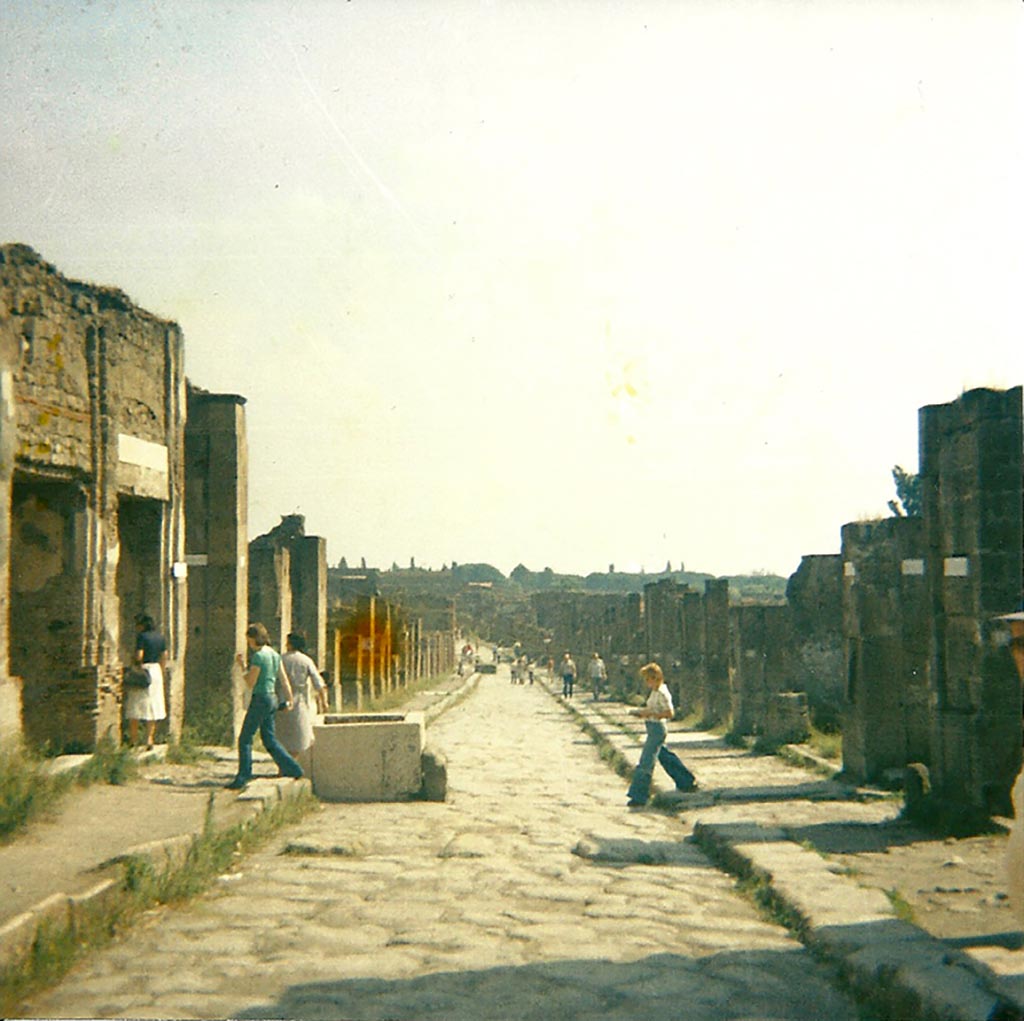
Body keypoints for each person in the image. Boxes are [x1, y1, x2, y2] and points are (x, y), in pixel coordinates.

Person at [226, 622, 304, 790]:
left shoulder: (259, 657)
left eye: (249, 640)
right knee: (269, 738)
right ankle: (293, 767)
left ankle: (243, 776)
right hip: (272, 698)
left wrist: (242, 666)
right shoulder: (274, 654)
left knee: (245, 739)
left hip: (260, 698)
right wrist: (289, 700)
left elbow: (250, 682)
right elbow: (283, 679)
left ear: (253, 639)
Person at [626, 662, 697, 807]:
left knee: (646, 762)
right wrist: (641, 713)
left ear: (655, 677)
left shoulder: (663, 692)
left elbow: (670, 713)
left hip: (657, 730)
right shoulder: (655, 692)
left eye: (648, 679)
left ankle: (639, 796)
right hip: (653, 727)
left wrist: (651, 713)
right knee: (665, 756)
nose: (646, 683)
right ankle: (686, 781)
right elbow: (652, 708)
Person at [277, 630, 328, 775]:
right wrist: (324, 703)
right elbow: (319, 684)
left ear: (290, 644)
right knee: (298, 737)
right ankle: (291, 766)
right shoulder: (306, 660)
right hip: (300, 703)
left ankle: (283, 768)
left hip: (281, 700)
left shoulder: (280, 659)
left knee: (281, 736)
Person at [124, 613, 168, 750]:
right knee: (153, 705)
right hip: (156, 671)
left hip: (143, 670)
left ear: (142, 625)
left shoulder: (142, 637)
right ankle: (149, 739)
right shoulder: (160, 638)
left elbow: (139, 655)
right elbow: (164, 656)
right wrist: (161, 670)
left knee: (135, 705)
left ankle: (133, 739)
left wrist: (133, 664)